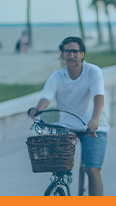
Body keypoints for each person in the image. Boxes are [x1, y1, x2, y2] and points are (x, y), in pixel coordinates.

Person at [29, 36, 108, 196]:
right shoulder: (57, 76)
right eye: (67, 51)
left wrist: (95, 119)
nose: (71, 55)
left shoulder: (93, 71)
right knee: (61, 167)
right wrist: (37, 110)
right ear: (62, 55)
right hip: (67, 126)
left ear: (82, 54)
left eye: (75, 51)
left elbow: (98, 96)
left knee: (92, 169)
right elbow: (46, 97)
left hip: (93, 126)